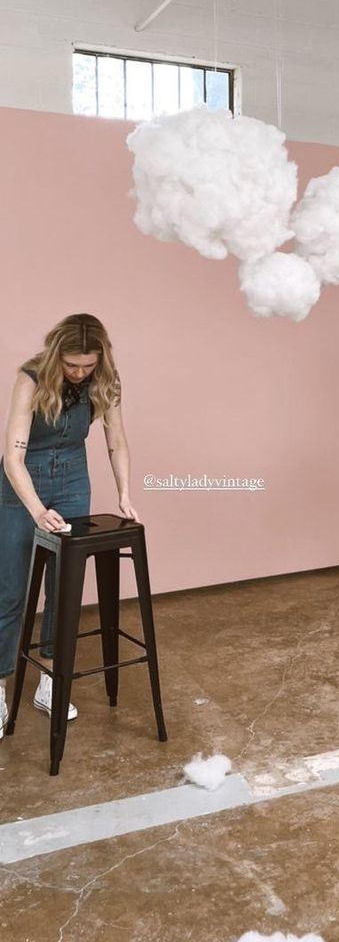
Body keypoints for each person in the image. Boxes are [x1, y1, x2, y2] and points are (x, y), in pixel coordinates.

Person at [0, 313, 140, 739]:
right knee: (10, 591)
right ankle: (0, 687)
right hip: (22, 485)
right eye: (71, 364)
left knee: (63, 591)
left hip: (74, 484)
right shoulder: (31, 379)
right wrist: (38, 509)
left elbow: (116, 441)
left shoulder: (106, 384)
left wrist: (124, 494)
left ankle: (50, 679)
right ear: (56, 354)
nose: (79, 372)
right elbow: (12, 457)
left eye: (87, 365)